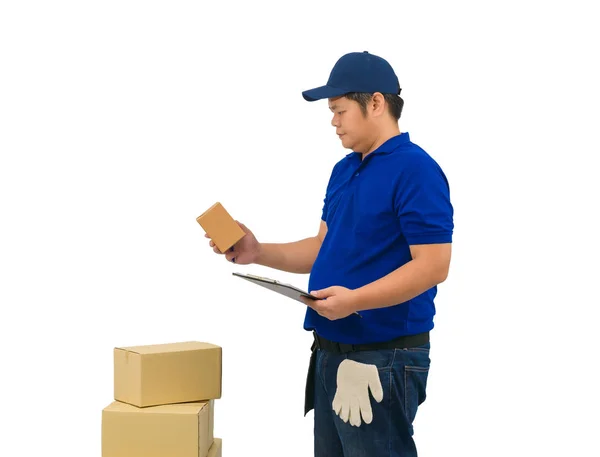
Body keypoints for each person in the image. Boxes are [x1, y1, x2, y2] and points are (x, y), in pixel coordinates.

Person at [205, 51, 453, 457]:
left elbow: (434, 265)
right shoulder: (345, 169)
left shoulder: (416, 169)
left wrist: (354, 301)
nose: (333, 120)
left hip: (382, 356)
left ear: (375, 103)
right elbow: (323, 247)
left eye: (339, 110)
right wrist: (257, 251)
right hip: (331, 351)